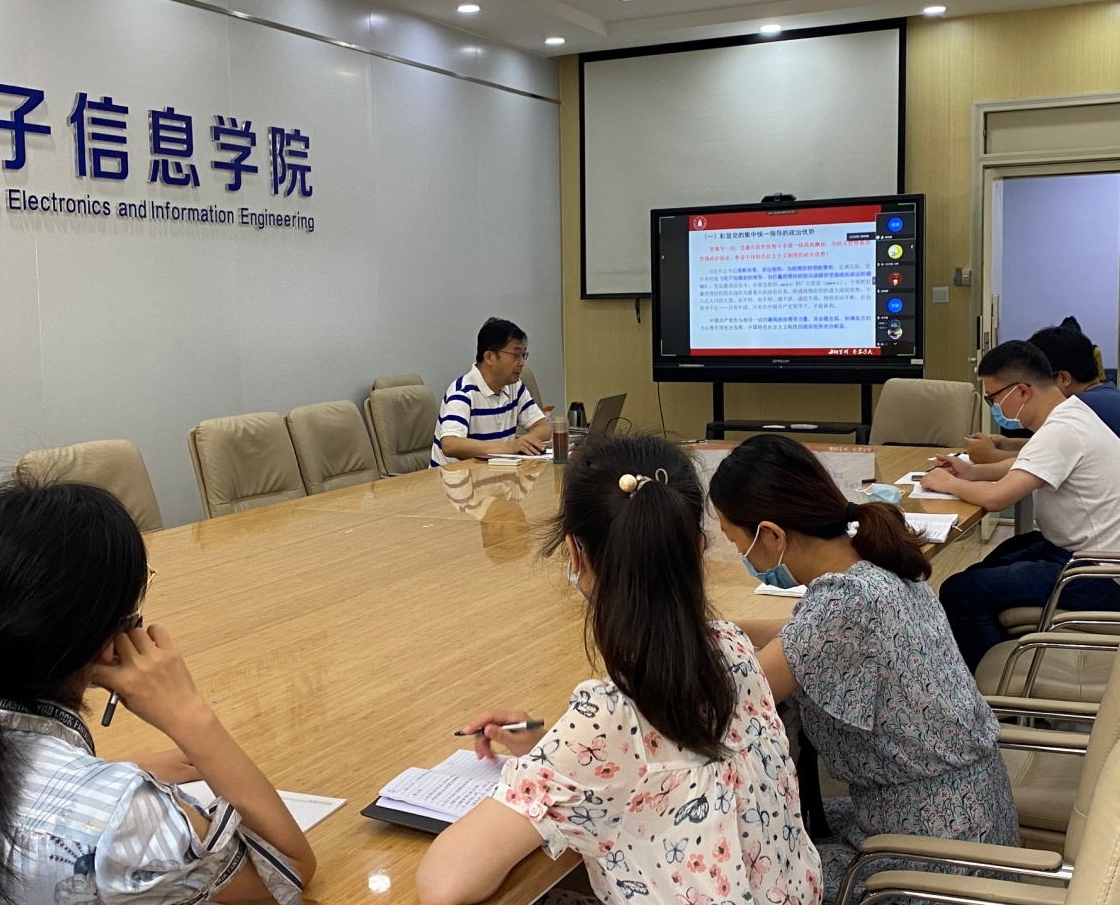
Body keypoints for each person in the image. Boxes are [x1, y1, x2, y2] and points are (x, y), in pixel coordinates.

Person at [0, 477, 315, 904]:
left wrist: (116, 770)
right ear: (113, 639)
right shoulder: (128, 823)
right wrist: (188, 714)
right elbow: (287, 871)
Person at [417, 436, 821, 905]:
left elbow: (444, 885)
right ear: (696, 548)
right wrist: (553, 746)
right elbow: (661, 747)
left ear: (575, 553)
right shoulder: (733, 647)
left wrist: (552, 760)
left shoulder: (608, 719)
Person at [708, 434, 1017, 904]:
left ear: (771, 535)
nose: (742, 557)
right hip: (968, 821)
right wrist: (721, 627)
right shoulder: (874, 566)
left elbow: (727, 695)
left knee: (735, 869)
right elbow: (798, 636)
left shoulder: (843, 606)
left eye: (737, 544)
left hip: (929, 858)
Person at [922, 340, 1120, 669]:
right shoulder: (1071, 414)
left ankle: (990, 684)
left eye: (994, 398)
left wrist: (947, 483)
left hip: (1098, 575)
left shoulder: (1062, 429)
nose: (994, 406)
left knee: (961, 592)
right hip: (1080, 552)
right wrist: (970, 472)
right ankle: (996, 649)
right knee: (993, 563)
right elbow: (1028, 465)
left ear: (1022, 391)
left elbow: (996, 498)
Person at [966, 324, 1120, 464]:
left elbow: (1052, 461)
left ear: (1063, 378)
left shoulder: (1083, 408)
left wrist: (993, 456)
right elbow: (1057, 449)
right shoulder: (1105, 397)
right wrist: (1011, 444)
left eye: (1042, 375)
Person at [431, 317, 551, 466]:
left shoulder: (514, 387)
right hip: (454, 478)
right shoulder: (462, 392)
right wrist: (510, 447)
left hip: (495, 474)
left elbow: (543, 428)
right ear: (489, 357)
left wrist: (526, 443)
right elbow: (450, 444)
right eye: (515, 355)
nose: (521, 363)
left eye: (523, 355)